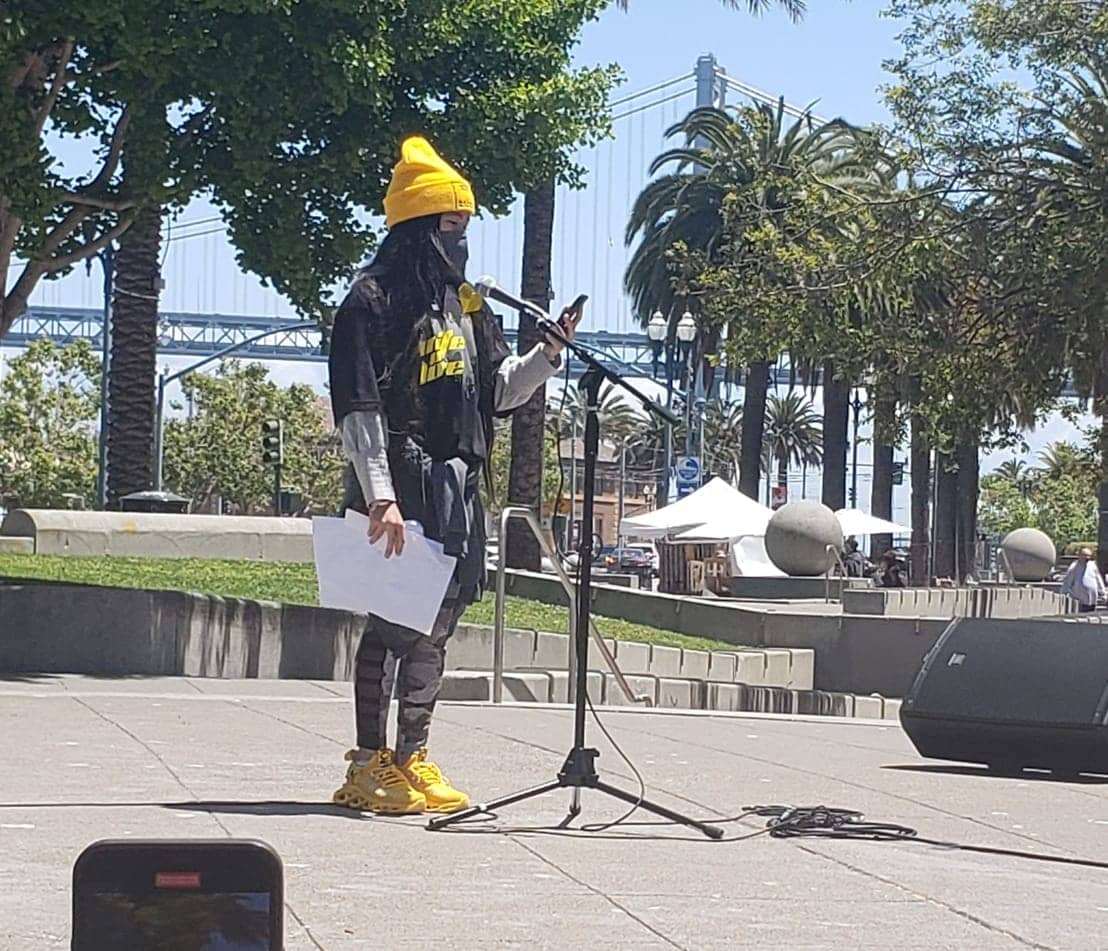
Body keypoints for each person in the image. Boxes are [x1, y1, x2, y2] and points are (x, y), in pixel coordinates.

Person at [326, 136, 579, 814]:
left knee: (438, 624)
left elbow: (496, 389)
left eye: (466, 227)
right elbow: (359, 407)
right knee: (391, 623)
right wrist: (380, 496)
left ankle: (413, 755)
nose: (460, 240)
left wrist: (548, 355)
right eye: (449, 226)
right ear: (416, 228)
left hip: (458, 486)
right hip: (400, 483)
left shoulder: (468, 306)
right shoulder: (370, 301)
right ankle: (366, 762)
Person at [1060, 547, 1105, 614]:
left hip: (1092, 598)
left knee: (1091, 616)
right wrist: (1064, 593)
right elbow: (1067, 581)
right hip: (1079, 599)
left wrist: (1103, 593)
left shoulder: (1092, 565)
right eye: (1085, 555)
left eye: (1088, 556)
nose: (1087, 558)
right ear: (1079, 556)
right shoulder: (1074, 567)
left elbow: (1098, 580)